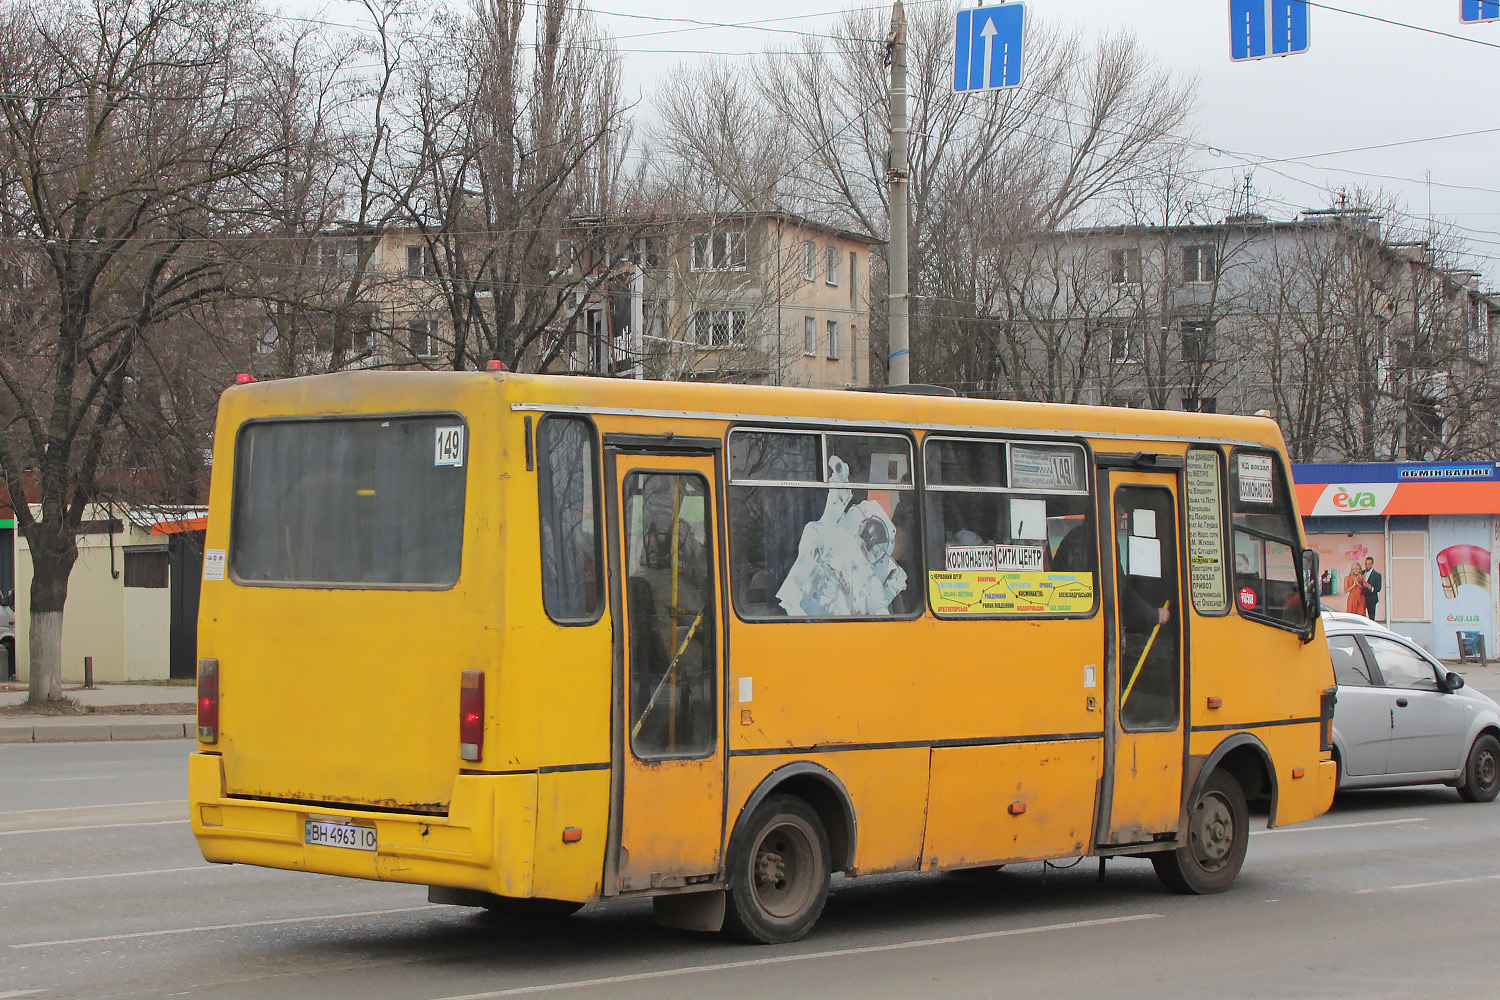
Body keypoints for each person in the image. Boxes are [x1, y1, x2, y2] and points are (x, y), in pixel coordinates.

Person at [1362, 555, 1383, 620]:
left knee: (1371, 617)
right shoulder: (1362, 572)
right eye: (1366, 564)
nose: (1367, 566)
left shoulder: (1377, 575)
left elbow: (1378, 588)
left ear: (1372, 564)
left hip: (1371, 599)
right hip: (1362, 597)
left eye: (1369, 564)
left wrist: (1371, 588)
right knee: (1362, 616)